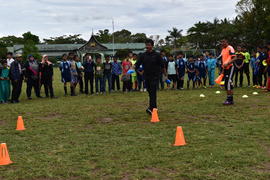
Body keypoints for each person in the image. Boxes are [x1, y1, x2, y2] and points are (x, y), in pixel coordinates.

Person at [135, 39, 165, 115]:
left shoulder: (157, 55)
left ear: (152, 46)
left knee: (153, 93)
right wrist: (139, 72)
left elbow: (162, 65)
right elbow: (137, 65)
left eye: (149, 45)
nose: (147, 46)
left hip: (155, 77)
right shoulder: (143, 55)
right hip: (146, 77)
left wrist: (162, 74)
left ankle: (153, 109)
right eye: (146, 45)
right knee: (150, 93)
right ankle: (151, 108)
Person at [220, 39, 237, 105]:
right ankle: (230, 99)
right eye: (221, 42)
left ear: (227, 42)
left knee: (227, 83)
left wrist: (228, 63)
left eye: (224, 42)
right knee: (228, 83)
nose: (222, 43)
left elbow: (235, 58)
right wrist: (223, 70)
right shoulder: (223, 50)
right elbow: (224, 61)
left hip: (231, 67)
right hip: (226, 68)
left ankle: (229, 100)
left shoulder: (230, 48)